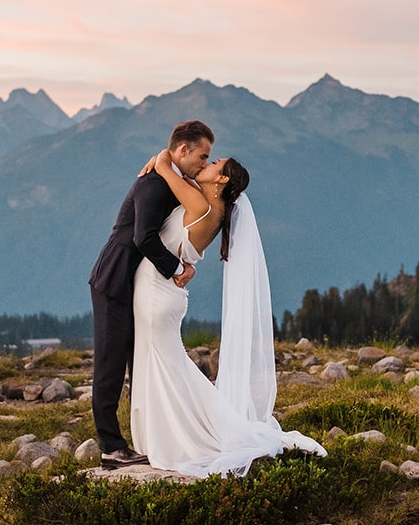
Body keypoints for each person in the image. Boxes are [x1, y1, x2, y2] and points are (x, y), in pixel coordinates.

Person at [127, 147, 325, 476]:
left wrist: (163, 157)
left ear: (220, 179)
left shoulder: (202, 206)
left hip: (156, 294)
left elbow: (167, 170)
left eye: (213, 162)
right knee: (168, 369)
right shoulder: (213, 208)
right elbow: (182, 179)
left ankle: (180, 440)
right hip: (162, 294)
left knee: (165, 370)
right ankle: (175, 435)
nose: (206, 163)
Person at [87, 121, 213, 469]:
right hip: (114, 279)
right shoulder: (155, 185)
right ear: (183, 150)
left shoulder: (167, 178)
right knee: (110, 364)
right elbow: (144, 237)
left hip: (131, 282)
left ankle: (138, 438)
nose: (205, 163)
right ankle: (110, 448)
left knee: (133, 360)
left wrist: (161, 159)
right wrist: (178, 269)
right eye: (202, 155)